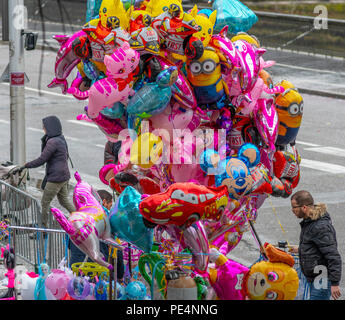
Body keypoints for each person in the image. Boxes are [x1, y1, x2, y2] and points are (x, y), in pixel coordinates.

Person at [22, 116, 75, 228]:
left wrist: (27, 165)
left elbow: (42, 159)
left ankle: (43, 228)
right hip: (64, 175)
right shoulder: (60, 138)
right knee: (64, 200)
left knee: (44, 203)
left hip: (56, 178)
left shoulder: (53, 142)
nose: (43, 129)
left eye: (44, 127)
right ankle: (81, 218)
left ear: (50, 128)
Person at [289, 190, 342, 300]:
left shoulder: (320, 226)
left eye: (294, 207)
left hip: (321, 279)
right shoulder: (309, 222)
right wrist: (300, 249)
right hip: (314, 278)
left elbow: (333, 255)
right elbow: (317, 247)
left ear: (304, 207)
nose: (292, 210)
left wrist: (335, 283)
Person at [69, 189, 124, 282]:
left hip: (76, 268)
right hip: (96, 271)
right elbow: (117, 252)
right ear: (104, 202)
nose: (109, 210)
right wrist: (120, 275)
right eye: (110, 206)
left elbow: (70, 245)